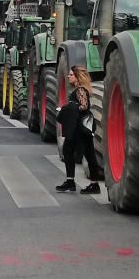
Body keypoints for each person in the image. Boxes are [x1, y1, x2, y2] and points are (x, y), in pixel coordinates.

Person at [55, 66, 103, 194]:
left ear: (77, 77)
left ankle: (73, 182)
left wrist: (67, 108)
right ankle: (90, 184)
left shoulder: (80, 90)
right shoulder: (80, 89)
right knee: (86, 154)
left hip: (79, 129)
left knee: (74, 152)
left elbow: (84, 106)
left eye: (71, 74)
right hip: (81, 128)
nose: (68, 76)